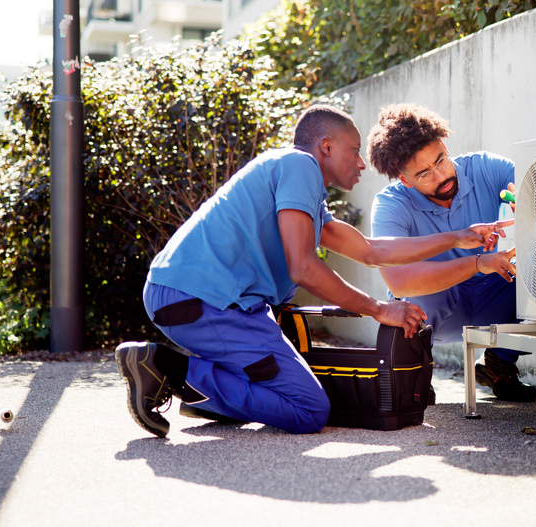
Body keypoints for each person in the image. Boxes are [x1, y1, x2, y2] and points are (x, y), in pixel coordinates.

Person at [116, 105, 509, 438]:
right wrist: (378, 308)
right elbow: (303, 267)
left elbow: (371, 252)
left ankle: (213, 398)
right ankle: (167, 367)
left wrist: (457, 237)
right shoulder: (298, 166)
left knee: (295, 397)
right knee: (309, 410)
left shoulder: (301, 191)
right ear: (326, 146)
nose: (360, 163)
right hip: (201, 300)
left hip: (196, 299)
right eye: (354, 151)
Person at [367, 103, 536, 402]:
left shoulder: (484, 166)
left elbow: (535, 182)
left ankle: (499, 362)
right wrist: (476, 263)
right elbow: (399, 281)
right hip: (436, 306)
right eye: (423, 174)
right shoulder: (390, 205)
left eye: (441, 160)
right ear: (405, 180)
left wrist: (526, 196)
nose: (440, 175)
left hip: (494, 294)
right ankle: (413, 372)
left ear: (444, 145)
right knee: (408, 297)